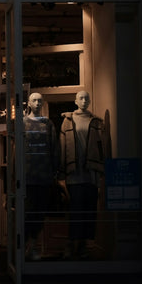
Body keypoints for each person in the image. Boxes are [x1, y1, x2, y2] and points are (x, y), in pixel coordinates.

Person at [58, 89, 105, 259]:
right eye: (81, 98)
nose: (84, 101)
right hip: (74, 174)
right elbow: (62, 147)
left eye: (87, 98)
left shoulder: (97, 122)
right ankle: (71, 244)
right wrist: (62, 173)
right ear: (75, 101)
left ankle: (84, 246)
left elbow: (102, 148)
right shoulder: (67, 122)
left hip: (91, 174)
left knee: (89, 211)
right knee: (75, 211)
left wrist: (101, 172)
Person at [23, 92, 60, 261]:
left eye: (39, 100)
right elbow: (18, 150)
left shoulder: (47, 123)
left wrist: (55, 170)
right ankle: (26, 245)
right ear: (29, 103)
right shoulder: (22, 123)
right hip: (27, 175)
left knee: (40, 212)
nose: (37, 103)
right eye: (34, 100)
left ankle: (34, 244)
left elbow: (54, 148)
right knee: (28, 211)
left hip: (44, 174)